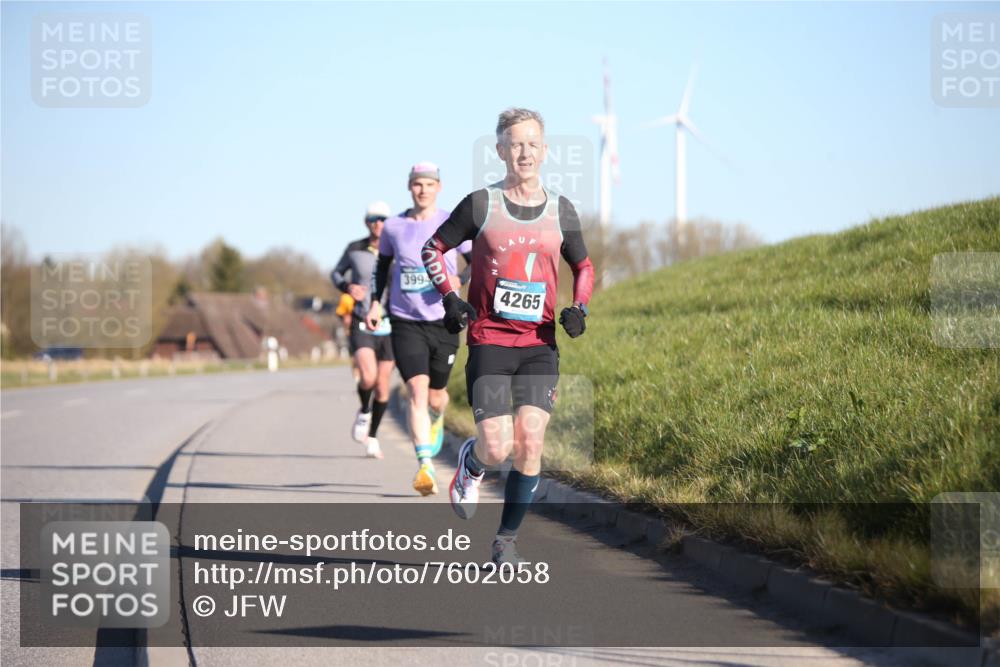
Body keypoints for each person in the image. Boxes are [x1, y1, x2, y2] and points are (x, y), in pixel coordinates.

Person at [421, 108, 594, 564]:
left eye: (533, 143)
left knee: (531, 440)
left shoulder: (561, 209)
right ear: (500, 150)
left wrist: (580, 308)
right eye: (516, 144)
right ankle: (473, 464)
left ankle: (505, 541)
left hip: (539, 345)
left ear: (545, 150)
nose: (525, 152)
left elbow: (584, 266)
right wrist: (449, 298)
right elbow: (432, 249)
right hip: (490, 340)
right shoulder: (481, 204)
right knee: (497, 446)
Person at [366, 162, 473, 496]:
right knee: (416, 391)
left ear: (438, 187)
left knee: (437, 397)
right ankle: (425, 465)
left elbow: (478, 259)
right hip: (405, 320)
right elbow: (381, 267)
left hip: (443, 319)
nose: (422, 190)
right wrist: (374, 302)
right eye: (417, 184)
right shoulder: (394, 227)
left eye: (429, 184)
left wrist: (462, 279)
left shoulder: (449, 222)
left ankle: (436, 417)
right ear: (409, 187)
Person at [331, 201, 396, 459]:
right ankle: (364, 411)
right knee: (367, 377)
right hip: (361, 320)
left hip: (390, 324)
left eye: (382, 219)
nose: (377, 224)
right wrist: (348, 288)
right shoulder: (355, 249)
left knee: (382, 386)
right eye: (372, 219)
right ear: (366, 222)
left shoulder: (396, 249)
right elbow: (336, 273)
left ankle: (373, 437)